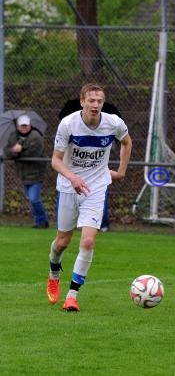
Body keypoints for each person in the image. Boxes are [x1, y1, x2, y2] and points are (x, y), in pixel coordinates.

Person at [46, 83, 132, 312]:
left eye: (99, 101)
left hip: (95, 188)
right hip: (68, 187)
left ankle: (72, 295)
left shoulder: (113, 123)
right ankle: (54, 272)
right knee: (62, 242)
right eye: (91, 100)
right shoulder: (68, 124)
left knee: (87, 241)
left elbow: (126, 141)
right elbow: (55, 160)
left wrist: (121, 171)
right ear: (82, 101)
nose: (95, 105)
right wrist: (73, 177)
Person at [3, 114, 49, 228]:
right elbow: (6, 152)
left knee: (34, 199)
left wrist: (20, 150)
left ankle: (43, 221)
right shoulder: (14, 136)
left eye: (26, 126)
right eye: (21, 126)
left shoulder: (36, 137)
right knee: (32, 200)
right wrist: (13, 150)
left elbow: (34, 153)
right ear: (18, 126)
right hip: (23, 174)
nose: (24, 128)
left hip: (36, 174)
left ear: (29, 125)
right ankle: (39, 222)